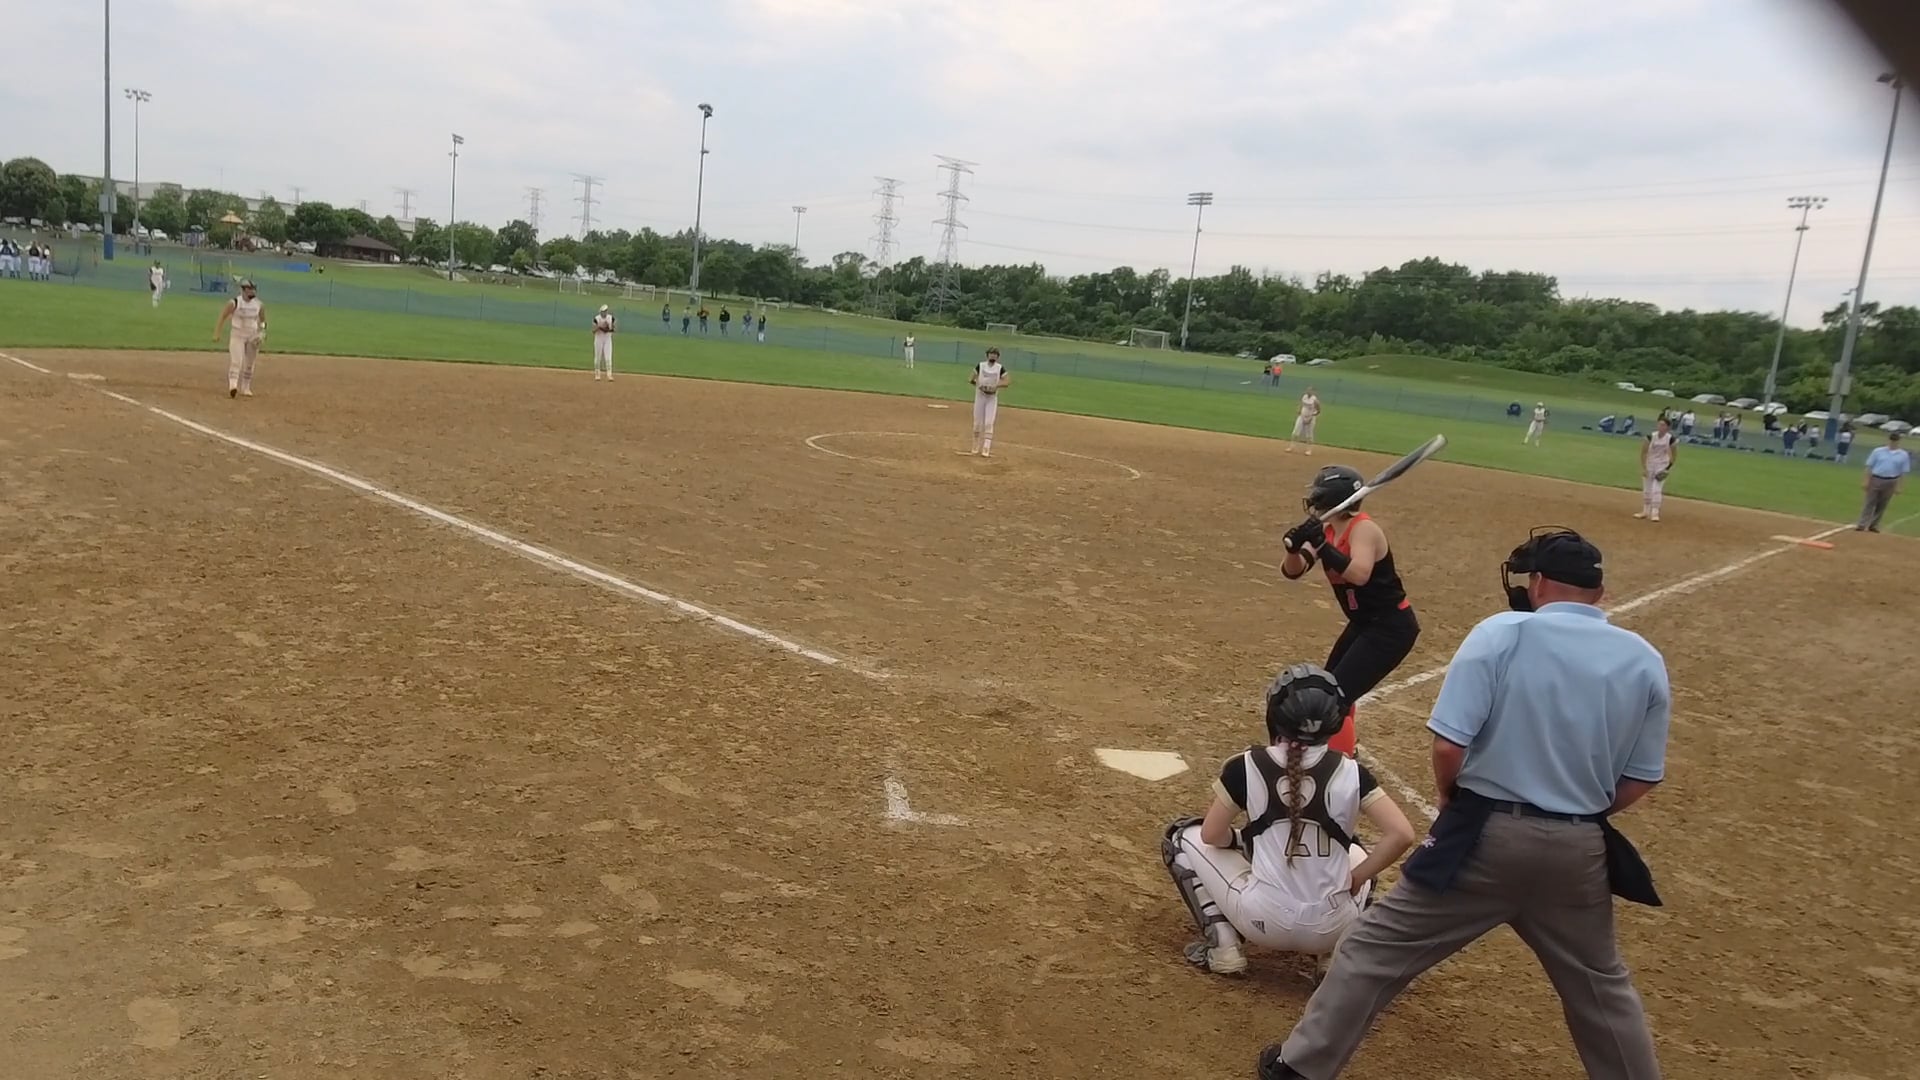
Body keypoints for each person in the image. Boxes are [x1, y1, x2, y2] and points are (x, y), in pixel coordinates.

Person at [1259, 527, 1670, 1080]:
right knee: (1602, 988)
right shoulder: (1644, 659)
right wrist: (1574, 813)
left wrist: (1453, 799)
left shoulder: (1502, 633)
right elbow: (1640, 779)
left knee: (1372, 950)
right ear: (1600, 593)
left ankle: (1301, 1068)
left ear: (1539, 583)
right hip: (1579, 851)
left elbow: (1449, 745)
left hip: (1484, 838)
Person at [1162, 664, 1417, 978]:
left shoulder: (1246, 765)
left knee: (1181, 835)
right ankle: (1332, 957)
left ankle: (1224, 947)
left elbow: (1212, 835)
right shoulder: (1353, 772)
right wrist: (1357, 878)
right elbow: (1401, 834)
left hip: (1262, 922)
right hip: (1331, 926)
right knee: (1354, 848)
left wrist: (1242, 841)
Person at [1280, 466, 1421, 757]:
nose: (1313, 502)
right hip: (1364, 624)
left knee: (1333, 700)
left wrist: (1322, 546)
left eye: (1319, 496)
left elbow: (1359, 574)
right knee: (1329, 686)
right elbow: (1292, 571)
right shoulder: (1328, 530)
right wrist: (1294, 549)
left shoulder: (1364, 529)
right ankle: (1344, 750)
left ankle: (1341, 762)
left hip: (1391, 628)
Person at [212, 279, 267, 398]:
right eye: (250, 289)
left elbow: (263, 320)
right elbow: (223, 316)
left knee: (250, 363)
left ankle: (246, 387)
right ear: (243, 290)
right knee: (236, 361)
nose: (252, 292)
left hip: (252, 335)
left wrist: (262, 331)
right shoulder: (235, 303)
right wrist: (217, 332)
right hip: (237, 335)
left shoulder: (259, 304)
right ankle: (233, 386)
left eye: (254, 289)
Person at [1857, 430, 1911, 532]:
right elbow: (1869, 467)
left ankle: (1874, 525)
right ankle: (1862, 524)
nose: (1893, 442)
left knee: (1882, 504)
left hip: (1891, 481)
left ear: (1899, 441)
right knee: (1869, 502)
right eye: (1892, 440)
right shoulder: (1878, 451)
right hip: (1876, 478)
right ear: (1888, 440)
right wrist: (1866, 481)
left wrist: (1899, 486)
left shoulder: (1903, 455)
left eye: (1895, 440)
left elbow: (1903, 472)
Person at [967, 347, 1009, 457]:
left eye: (995, 354)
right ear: (987, 355)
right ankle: (975, 446)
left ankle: (986, 448)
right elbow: (971, 378)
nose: (993, 356)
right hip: (980, 396)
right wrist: (979, 385)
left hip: (992, 398)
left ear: (998, 357)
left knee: (989, 422)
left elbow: (1007, 381)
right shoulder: (981, 365)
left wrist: (996, 386)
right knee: (977, 422)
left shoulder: (999, 368)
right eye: (991, 354)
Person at [1635, 416, 1676, 522]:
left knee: (1656, 489)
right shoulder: (1650, 437)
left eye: (1663, 425)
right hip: (1650, 464)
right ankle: (1645, 512)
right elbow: (1643, 453)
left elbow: (1674, 455)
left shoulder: (1671, 439)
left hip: (1662, 465)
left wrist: (1667, 468)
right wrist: (1644, 468)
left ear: (1668, 427)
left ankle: (1655, 513)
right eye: (1659, 424)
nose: (1660, 427)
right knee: (1647, 489)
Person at [1289, 386, 1321, 455]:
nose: (1308, 391)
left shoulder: (1315, 400)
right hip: (1302, 416)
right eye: (1308, 390)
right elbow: (1301, 404)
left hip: (1310, 418)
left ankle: (1309, 450)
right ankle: (1291, 447)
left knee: (1309, 434)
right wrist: (1299, 410)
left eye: (1310, 391)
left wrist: (1312, 417)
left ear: (1313, 392)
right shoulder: (1304, 397)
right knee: (1295, 432)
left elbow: (1318, 410)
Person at [592, 304, 617, 381]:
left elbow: (614, 329)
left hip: (607, 339)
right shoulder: (597, 319)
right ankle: (597, 374)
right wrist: (600, 327)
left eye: (606, 311)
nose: (605, 313)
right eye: (603, 311)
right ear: (601, 312)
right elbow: (593, 331)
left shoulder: (611, 318)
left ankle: (609, 375)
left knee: (608, 357)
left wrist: (609, 327)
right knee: (598, 357)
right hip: (598, 339)